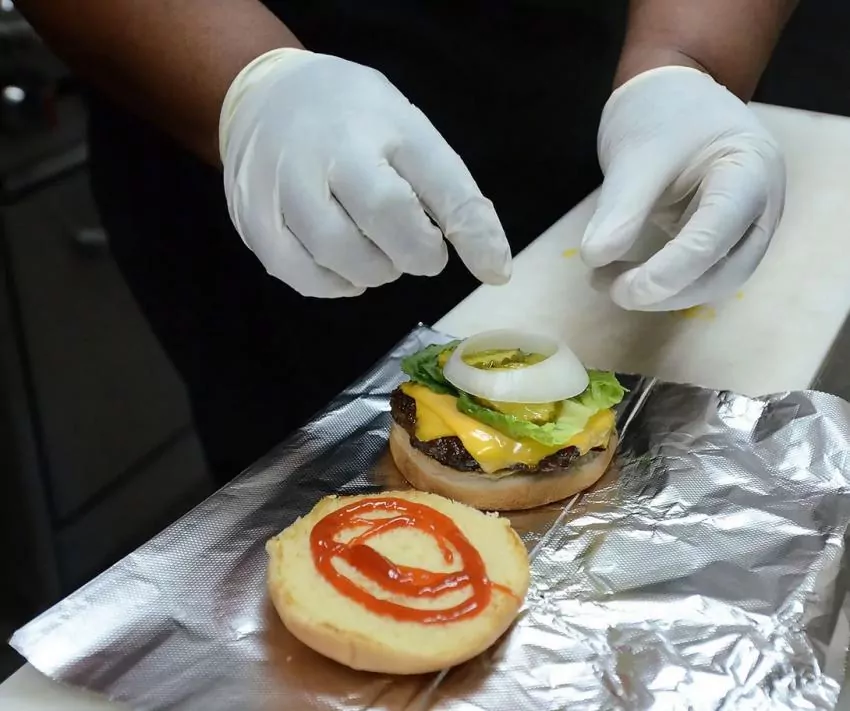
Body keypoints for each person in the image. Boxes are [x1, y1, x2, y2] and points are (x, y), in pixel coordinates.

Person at [17, 0, 795, 484]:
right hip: (243, 135)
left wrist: (683, 61)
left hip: (587, 116)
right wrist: (252, 85)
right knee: (293, 478)